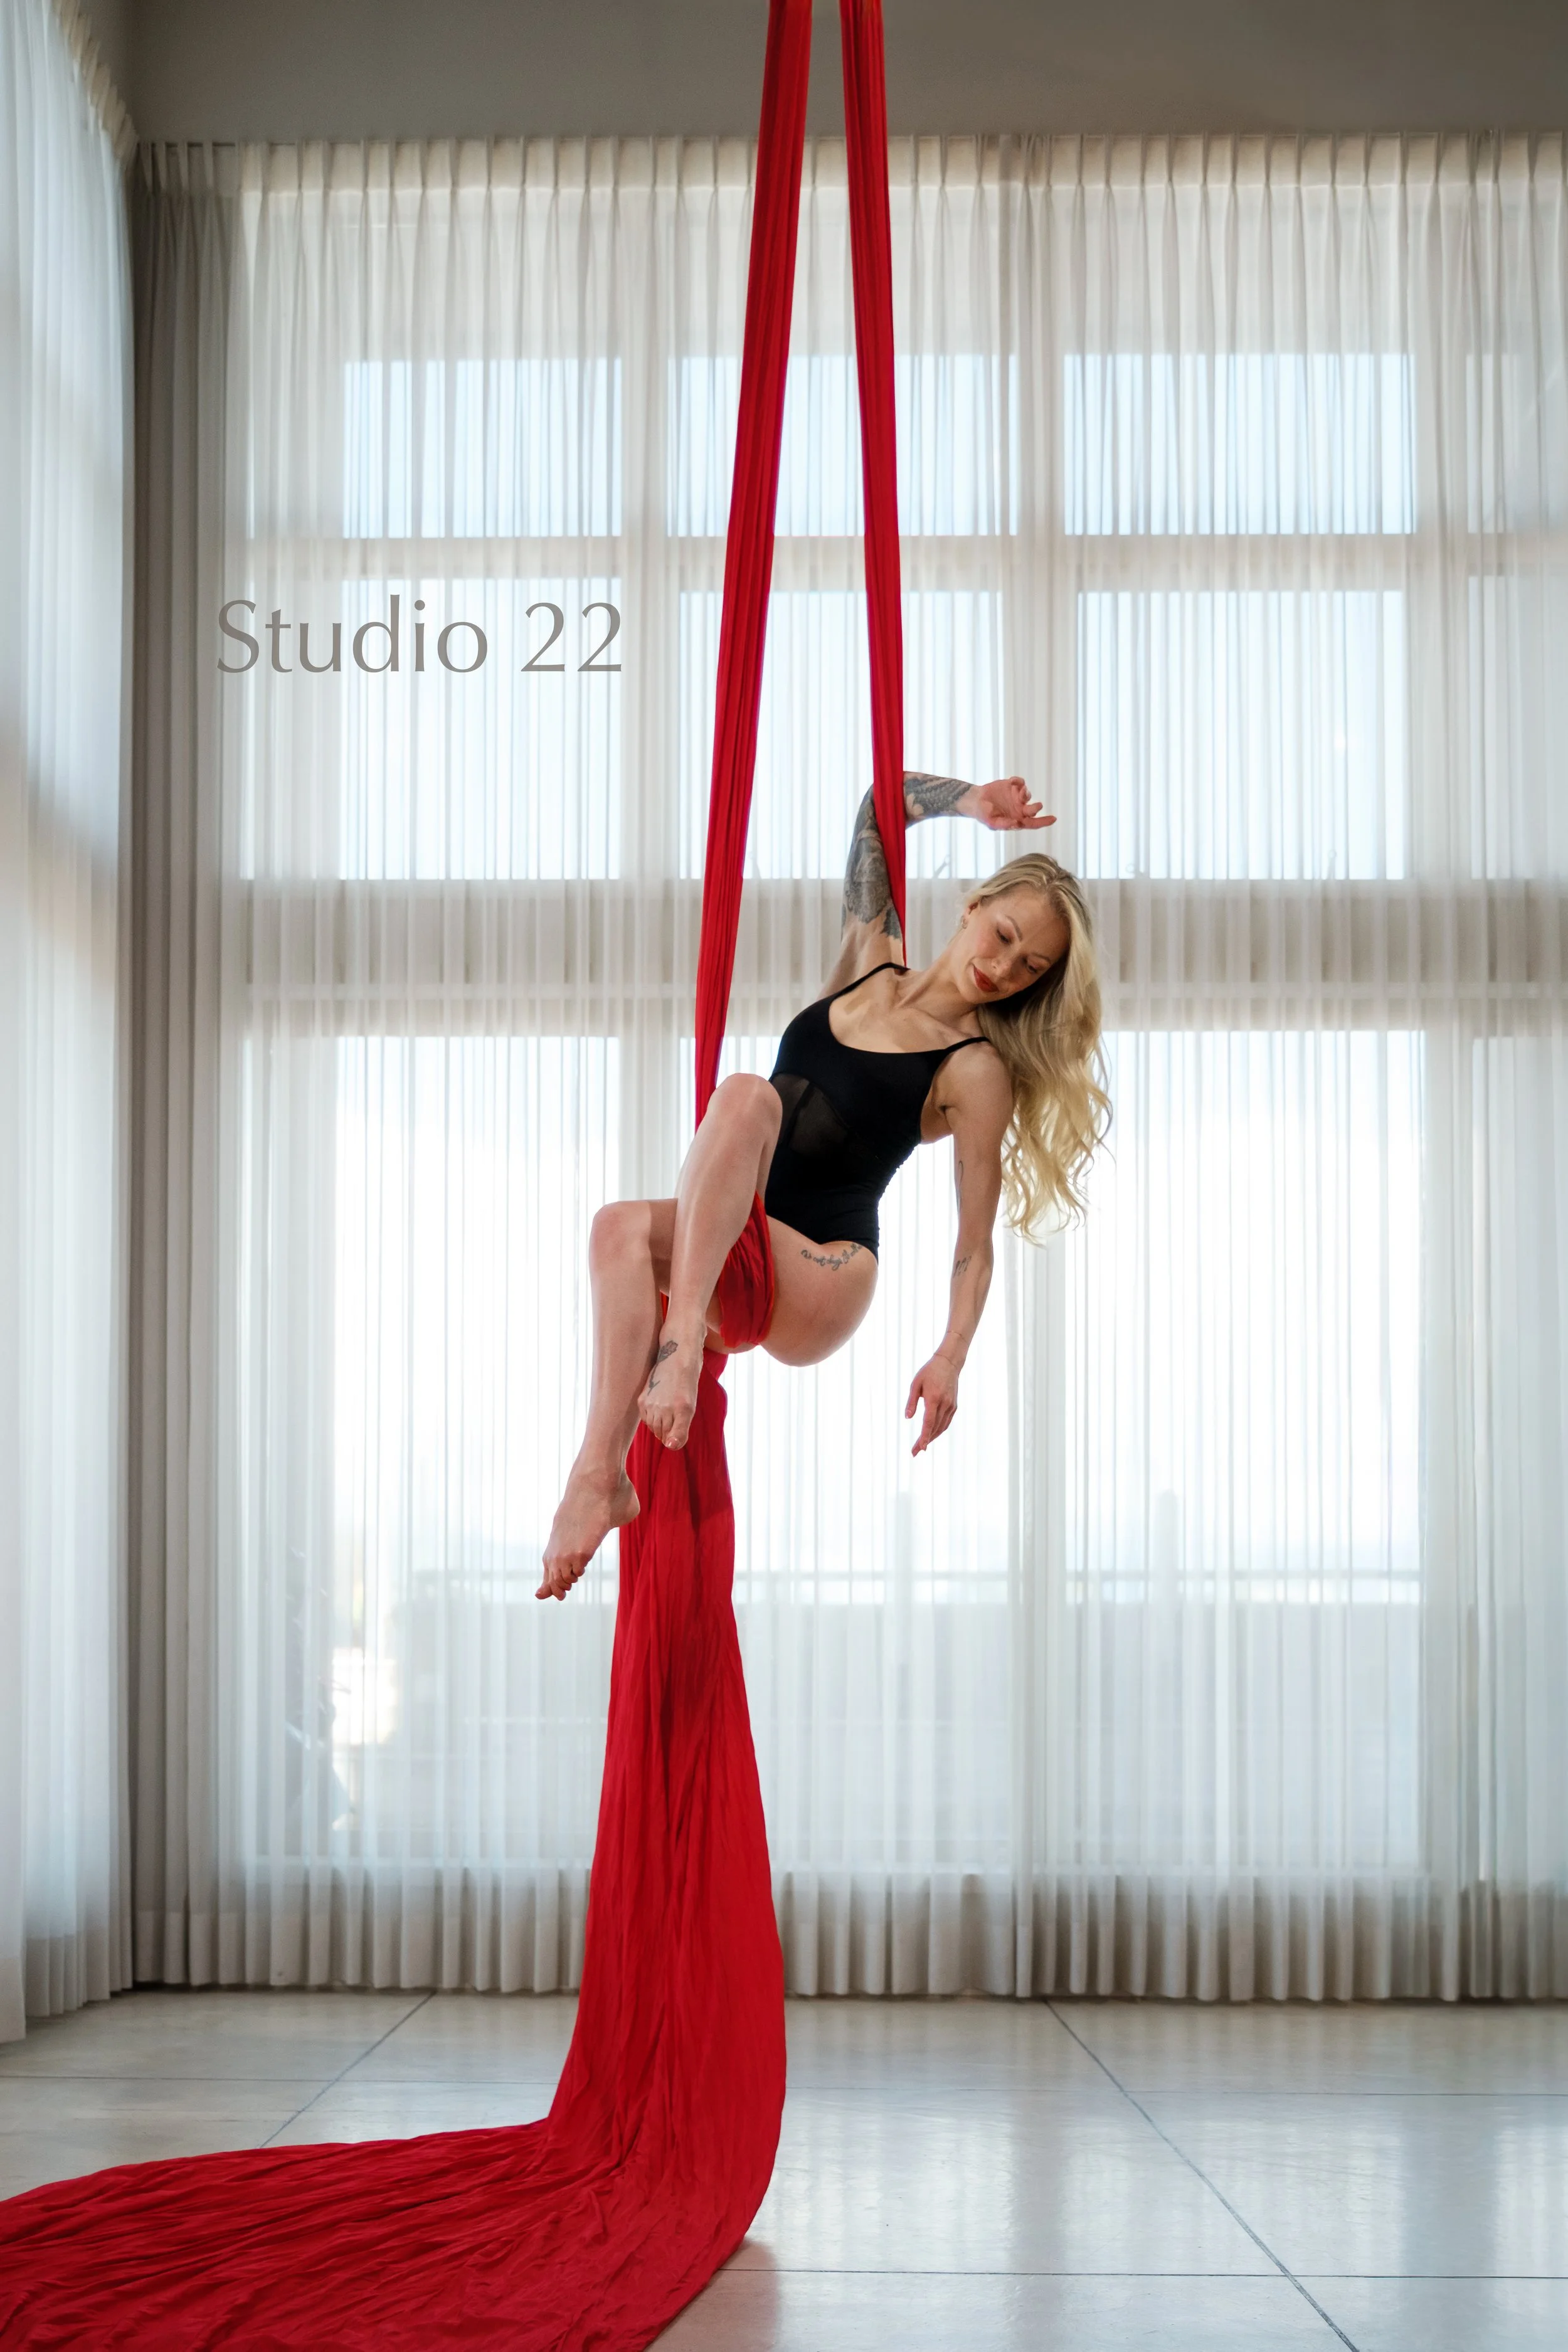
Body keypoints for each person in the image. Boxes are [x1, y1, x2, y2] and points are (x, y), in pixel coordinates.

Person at [538, 771, 1109, 1601]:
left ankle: (681, 1345)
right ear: (974, 906)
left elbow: (974, 1246)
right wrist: (970, 802)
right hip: (737, 1239)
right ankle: (600, 1475)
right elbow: (879, 806)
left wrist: (951, 1356)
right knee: (617, 1228)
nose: (1006, 966)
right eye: (1006, 936)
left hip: (823, 1273)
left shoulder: (976, 1068)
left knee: (743, 1095)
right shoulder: (868, 954)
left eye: (1031, 967)